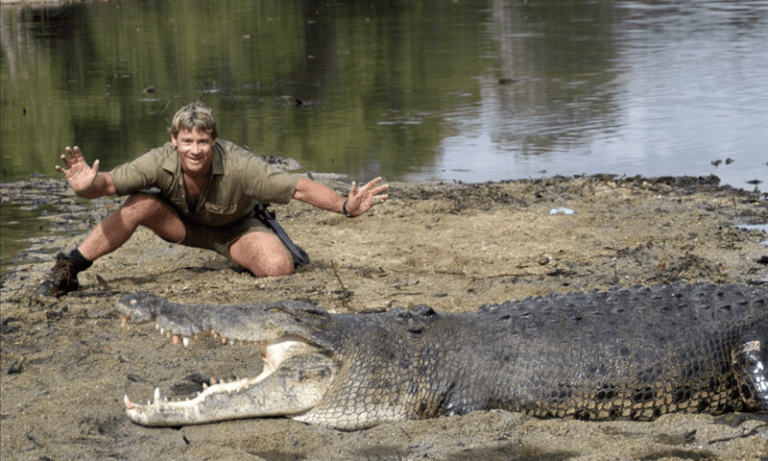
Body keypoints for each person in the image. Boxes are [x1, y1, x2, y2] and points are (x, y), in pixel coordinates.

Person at [37, 102, 389, 297]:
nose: (194, 150)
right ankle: (70, 268)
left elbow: (298, 187)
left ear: (213, 139)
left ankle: (244, 255)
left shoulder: (241, 166)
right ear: (174, 139)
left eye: (202, 142)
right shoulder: (158, 160)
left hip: (235, 230)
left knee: (278, 269)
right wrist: (85, 186)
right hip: (183, 225)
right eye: (187, 141)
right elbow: (109, 184)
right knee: (139, 203)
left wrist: (346, 206)